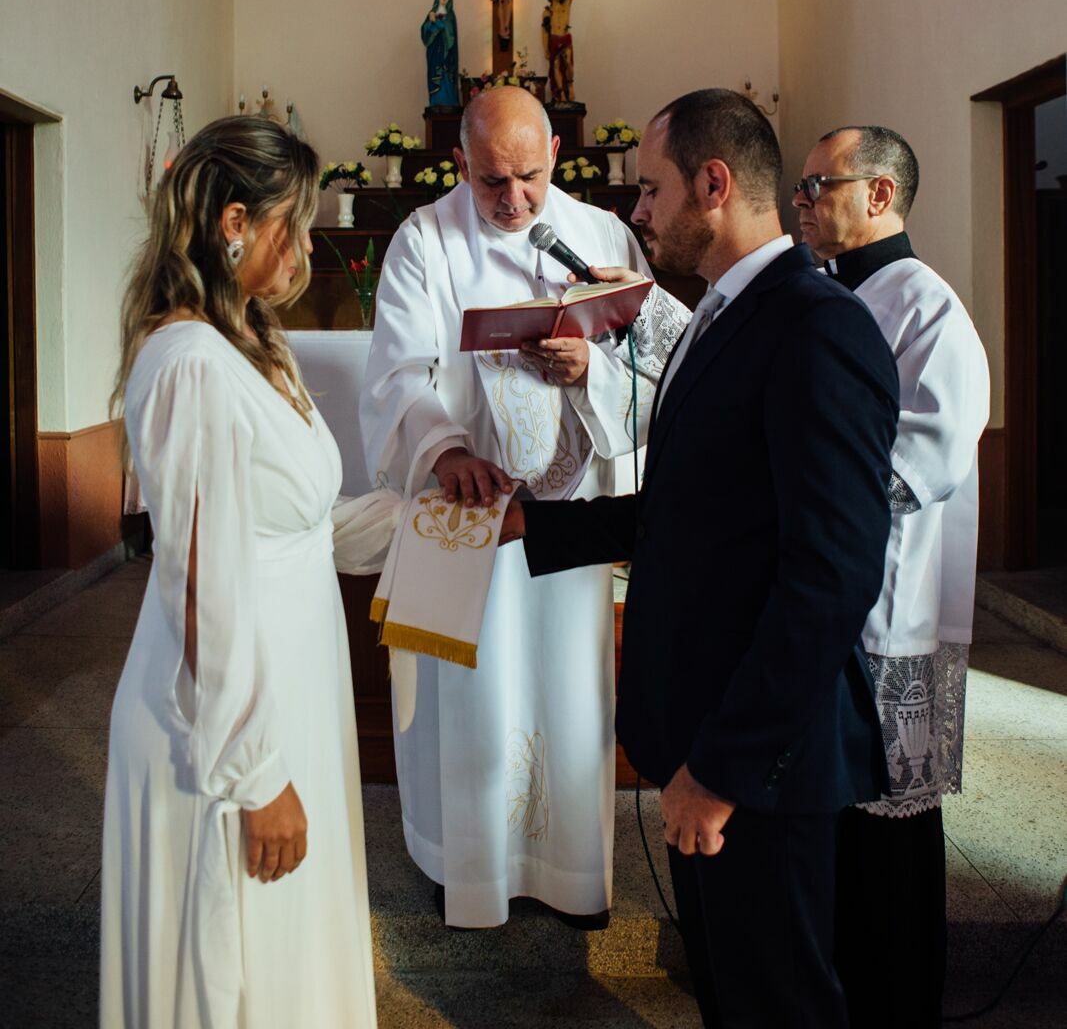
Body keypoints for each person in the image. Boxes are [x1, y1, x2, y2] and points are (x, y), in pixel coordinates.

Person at [499, 89, 900, 1027]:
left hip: (759, 758)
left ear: (712, 185)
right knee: (731, 989)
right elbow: (698, 511)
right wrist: (540, 525)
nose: (638, 212)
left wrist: (720, 771)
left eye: (652, 189)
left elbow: (830, 576)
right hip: (711, 736)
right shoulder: (720, 314)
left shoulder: (813, 327)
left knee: (779, 1001)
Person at [360, 84, 689, 929]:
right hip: (471, 512)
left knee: (569, 690)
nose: (513, 201)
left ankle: (571, 873)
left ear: (553, 153)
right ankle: (467, 871)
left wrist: (592, 372)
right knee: (470, 692)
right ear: (460, 164)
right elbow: (396, 373)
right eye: (491, 182)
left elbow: (658, 364)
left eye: (530, 178)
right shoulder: (425, 240)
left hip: (567, 518)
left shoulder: (603, 234)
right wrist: (444, 449)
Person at [102, 116, 403, 1028]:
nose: (306, 246)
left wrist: (435, 519)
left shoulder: (252, 346)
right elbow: (202, 582)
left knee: (290, 951)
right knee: (235, 956)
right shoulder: (190, 362)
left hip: (290, 686)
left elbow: (302, 528)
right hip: (225, 720)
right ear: (236, 221)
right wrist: (257, 773)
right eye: (294, 225)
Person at [793, 125, 990, 1029]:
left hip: (891, 608)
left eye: (814, 186)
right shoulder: (824, 294)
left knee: (890, 825)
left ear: (877, 194)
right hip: (824, 592)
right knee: (831, 815)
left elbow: (925, 456)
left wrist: (790, 477)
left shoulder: (927, 307)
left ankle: (897, 1000)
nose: (801, 203)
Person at [541, 0, 577, 104]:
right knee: (555, 66)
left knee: (568, 62)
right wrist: (545, 49)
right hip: (554, 39)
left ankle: (570, 85)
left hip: (565, 37)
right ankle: (561, 94)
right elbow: (544, 32)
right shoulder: (547, 12)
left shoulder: (565, 6)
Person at [421, 0, 460, 107]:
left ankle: (448, 103)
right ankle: (436, 103)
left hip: (446, 52)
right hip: (434, 51)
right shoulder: (431, 13)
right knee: (435, 75)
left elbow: (450, 33)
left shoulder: (450, 15)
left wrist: (437, 23)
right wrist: (431, 23)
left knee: (446, 76)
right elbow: (424, 32)